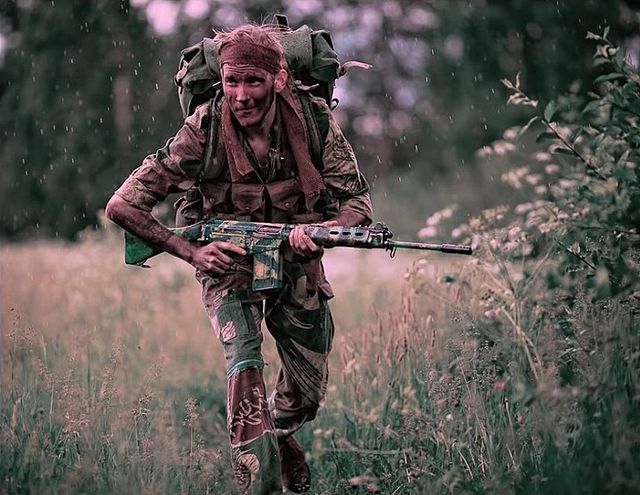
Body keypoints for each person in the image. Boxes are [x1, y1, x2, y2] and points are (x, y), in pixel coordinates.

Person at [105, 23, 373, 495]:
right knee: (244, 366)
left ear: (280, 80)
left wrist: (326, 233)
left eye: (253, 81)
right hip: (226, 266)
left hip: (294, 262)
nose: (241, 95)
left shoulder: (313, 122)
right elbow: (122, 205)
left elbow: (356, 204)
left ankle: (281, 432)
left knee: (307, 393)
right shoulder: (203, 127)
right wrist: (191, 251)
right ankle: (259, 483)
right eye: (231, 81)